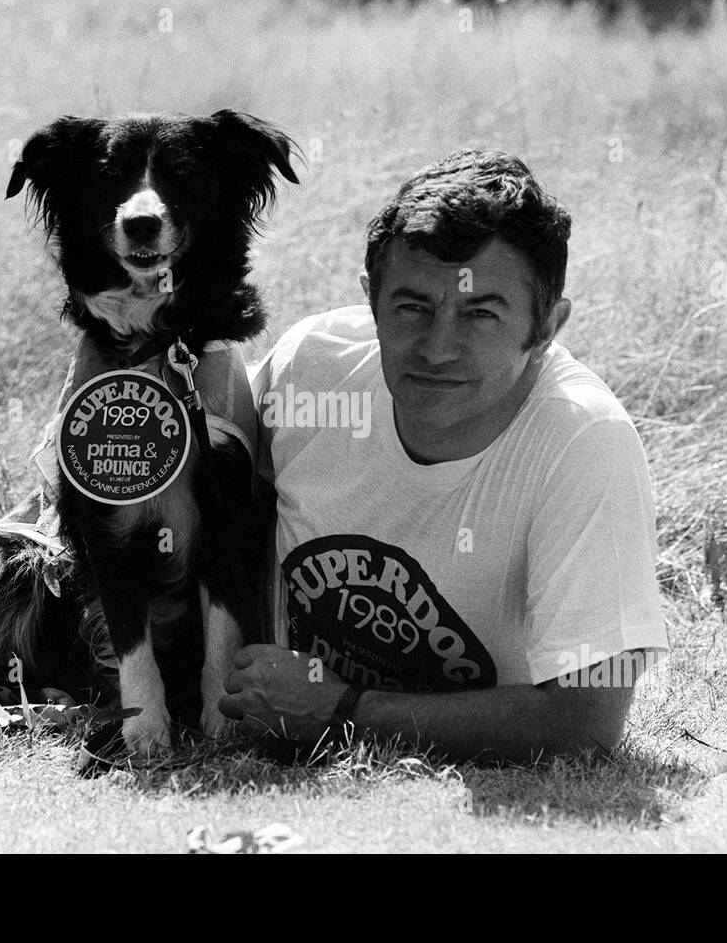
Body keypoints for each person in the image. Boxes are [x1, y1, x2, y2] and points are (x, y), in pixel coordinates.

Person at [216, 149, 670, 763]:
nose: (437, 348)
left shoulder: (583, 442)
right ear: (369, 302)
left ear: (547, 328)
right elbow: (207, 502)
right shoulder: (310, 372)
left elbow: (584, 723)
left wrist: (341, 710)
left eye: (480, 314)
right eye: (413, 307)